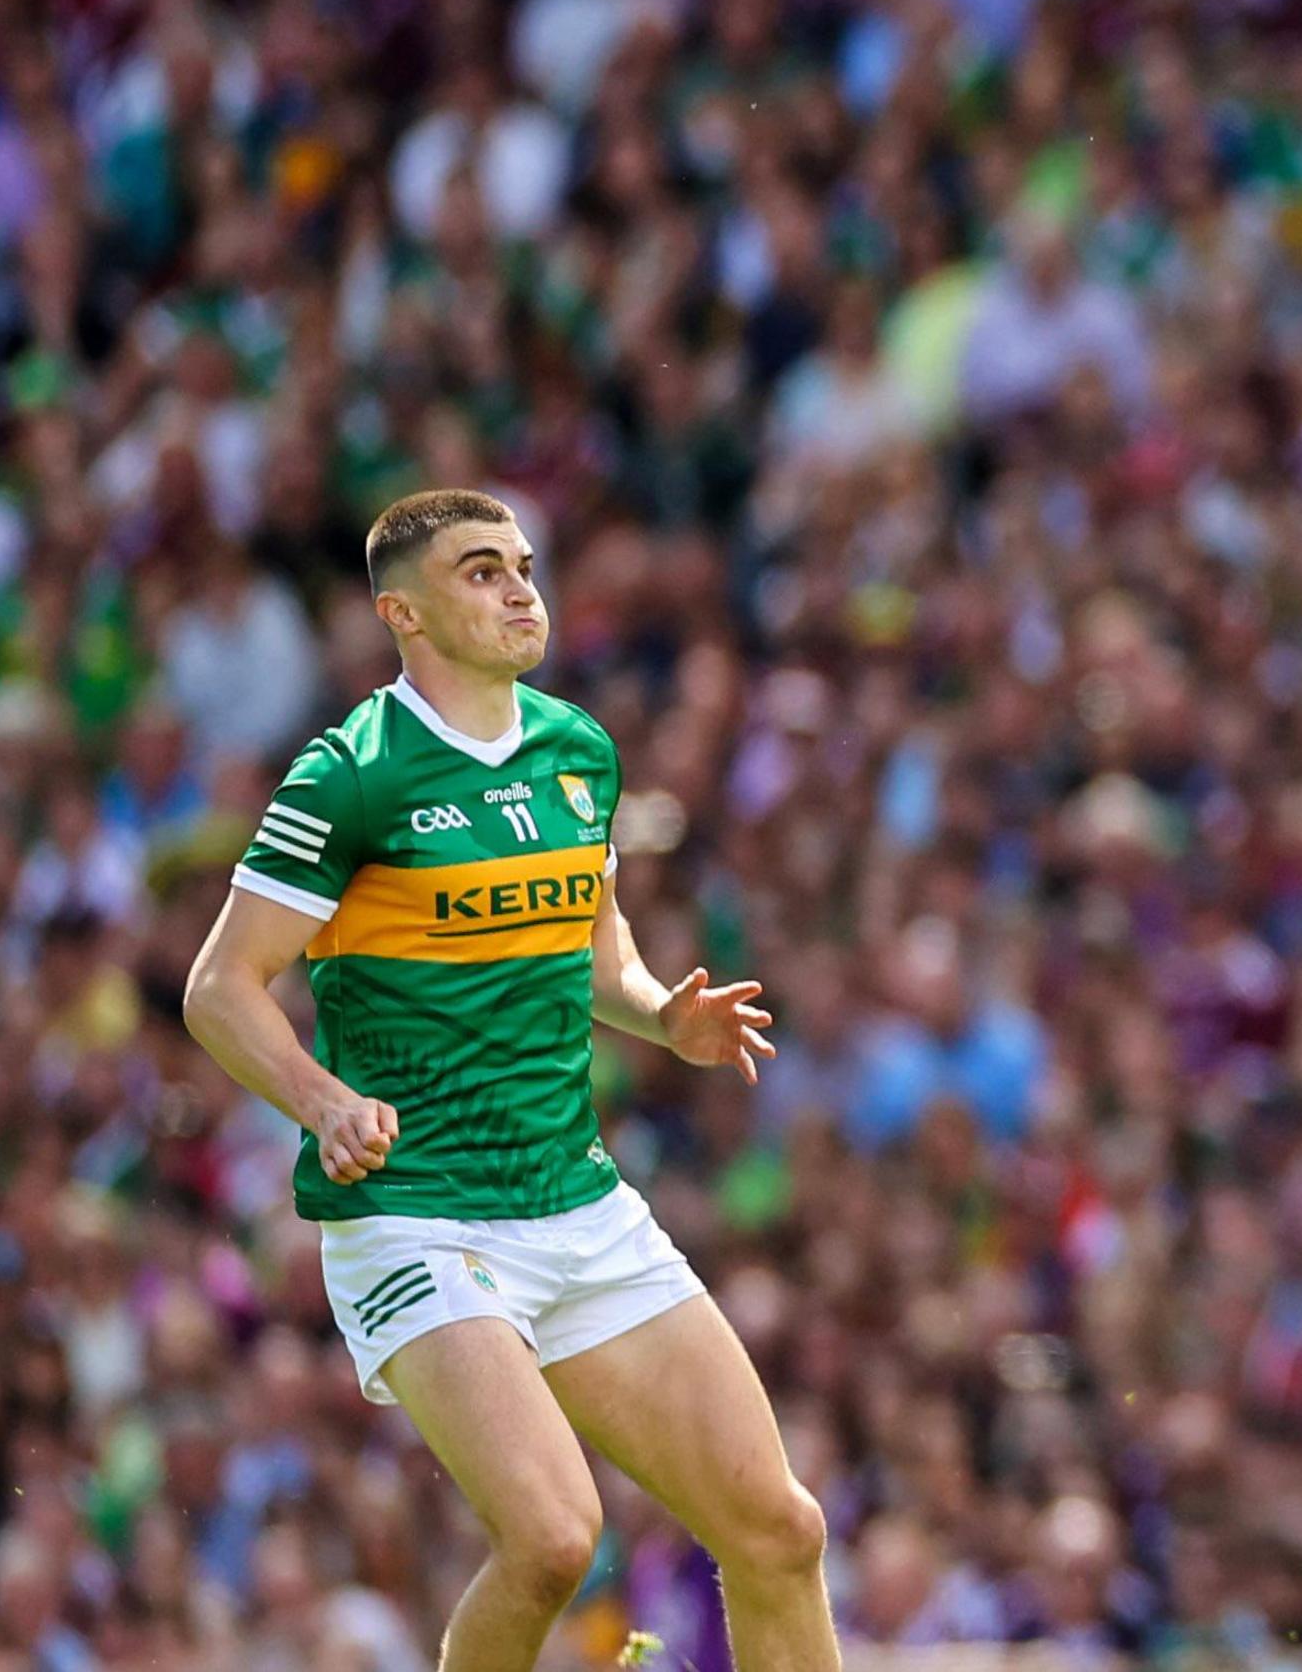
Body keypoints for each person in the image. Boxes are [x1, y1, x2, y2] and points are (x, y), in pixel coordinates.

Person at [181, 489, 839, 1672]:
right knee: (550, 1538)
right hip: (417, 1213)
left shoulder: (576, 752)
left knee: (781, 1530)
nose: (521, 588)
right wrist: (321, 1100)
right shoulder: (351, 776)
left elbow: (599, 955)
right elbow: (222, 986)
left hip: (574, 1202)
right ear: (406, 614)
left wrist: (659, 1016)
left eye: (524, 566)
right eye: (482, 571)